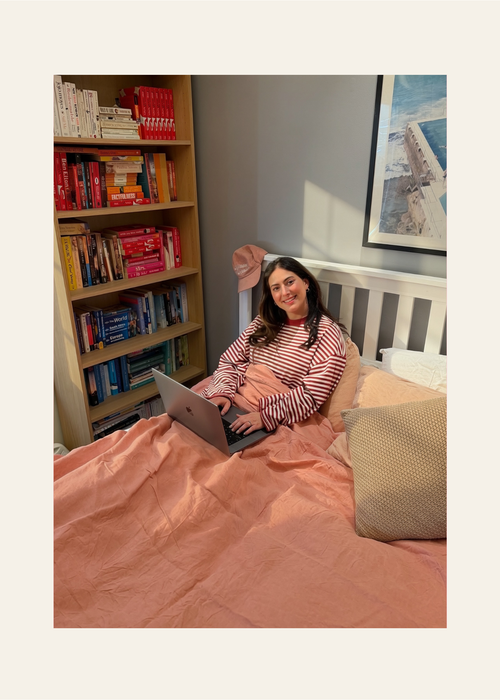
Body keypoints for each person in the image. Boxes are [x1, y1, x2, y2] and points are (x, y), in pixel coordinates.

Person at [201, 256, 347, 436]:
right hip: (235, 398)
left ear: (306, 283)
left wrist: (265, 417)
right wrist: (221, 393)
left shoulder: (327, 334)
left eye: (290, 282)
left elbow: (311, 395)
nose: (285, 292)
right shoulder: (262, 322)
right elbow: (230, 361)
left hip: (278, 414)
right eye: (276, 288)